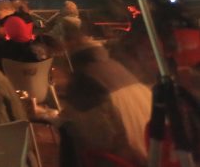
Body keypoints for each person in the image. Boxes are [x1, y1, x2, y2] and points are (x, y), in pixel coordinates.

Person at [57, 20, 150, 167]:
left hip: (127, 161)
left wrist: (55, 118)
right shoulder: (118, 69)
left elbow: (97, 137)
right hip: (151, 154)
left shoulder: (86, 81)